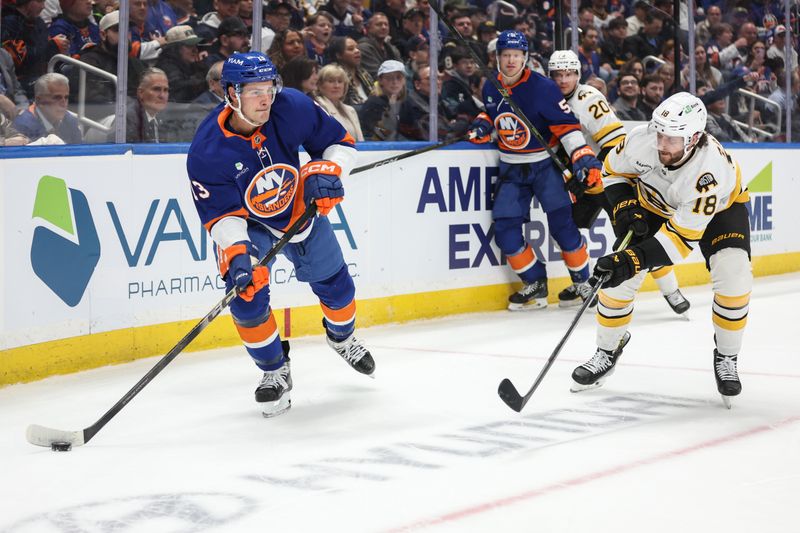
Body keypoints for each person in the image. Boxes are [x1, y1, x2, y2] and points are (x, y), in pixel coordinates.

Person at [187, 52, 374, 417]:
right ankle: (274, 371)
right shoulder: (207, 151)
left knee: (337, 287)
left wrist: (328, 171)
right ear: (230, 93)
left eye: (269, 88)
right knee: (245, 296)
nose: (265, 99)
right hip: (250, 223)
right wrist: (239, 257)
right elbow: (223, 216)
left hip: (299, 209)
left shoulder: (292, 107)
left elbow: (340, 142)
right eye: (253, 90)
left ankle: (342, 337)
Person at [571, 92, 752, 408]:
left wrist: (633, 259)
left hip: (722, 210)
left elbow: (680, 240)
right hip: (657, 201)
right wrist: (625, 205)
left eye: (672, 138)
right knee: (618, 280)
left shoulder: (708, 174)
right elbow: (612, 171)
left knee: (734, 277)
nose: (661, 144)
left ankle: (726, 355)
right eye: (660, 133)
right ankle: (607, 349)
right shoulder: (642, 139)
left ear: (694, 138)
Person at [468, 31, 602, 311]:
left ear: (525, 58)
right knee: (505, 230)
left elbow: (566, 126)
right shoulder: (491, 86)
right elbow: (493, 113)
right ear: (497, 58)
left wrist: (583, 157)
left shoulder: (544, 88)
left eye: (516, 55)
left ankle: (581, 282)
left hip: (545, 165)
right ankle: (535, 282)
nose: (511, 61)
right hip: (511, 168)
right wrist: (482, 124)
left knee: (563, 227)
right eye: (506, 55)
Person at [549, 50, 690, 314]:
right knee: (567, 228)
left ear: (578, 75)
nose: (562, 80)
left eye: (568, 73)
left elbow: (614, 144)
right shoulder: (548, 99)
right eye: (557, 74)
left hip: (611, 177)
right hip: (583, 180)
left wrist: (593, 171)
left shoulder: (588, 98)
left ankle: (671, 290)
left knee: (636, 236)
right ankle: (583, 283)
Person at [14, 72, 82, 143]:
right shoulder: (22, 126)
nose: (64, 103)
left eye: (66, 97)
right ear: (39, 100)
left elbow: (82, 152)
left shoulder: (70, 121)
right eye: (57, 97)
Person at [156, 25, 207, 102]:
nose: (195, 50)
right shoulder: (166, 67)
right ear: (174, 49)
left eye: (195, 45)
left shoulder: (190, 64)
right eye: (189, 45)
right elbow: (181, 91)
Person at [359, 59, 406, 141]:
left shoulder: (408, 103)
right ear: (380, 80)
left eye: (399, 77)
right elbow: (377, 137)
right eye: (389, 78)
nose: (394, 82)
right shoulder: (373, 105)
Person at [315, 63, 363, 141]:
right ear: (320, 85)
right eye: (331, 81)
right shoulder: (318, 106)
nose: (336, 86)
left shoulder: (351, 110)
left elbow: (361, 141)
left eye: (340, 82)